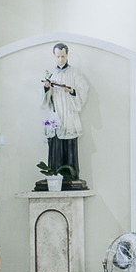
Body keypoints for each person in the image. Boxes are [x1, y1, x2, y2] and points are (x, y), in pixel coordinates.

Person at [41, 43, 89, 178]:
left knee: (70, 148)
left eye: (63, 56)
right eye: (58, 57)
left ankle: (71, 177)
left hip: (69, 115)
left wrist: (73, 91)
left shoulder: (75, 73)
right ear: (54, 56)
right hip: (56, 116)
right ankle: (55, 177)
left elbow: (83, 89)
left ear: (67, 55)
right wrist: (46, 88)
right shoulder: (51, 73)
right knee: (56, 148)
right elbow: (44, 99)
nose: (60, 60)